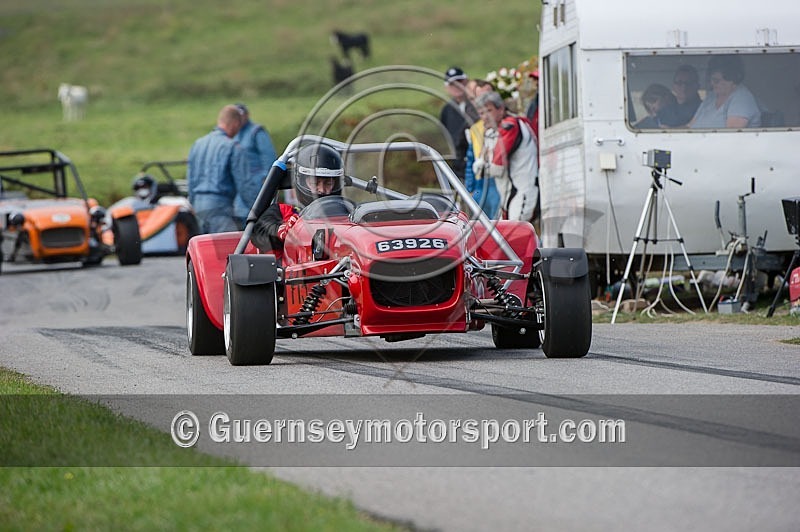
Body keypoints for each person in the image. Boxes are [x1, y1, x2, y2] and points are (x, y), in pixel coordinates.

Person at [251, 143, 344, 255]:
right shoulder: (283, 211)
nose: (322, 189)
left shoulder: (345, 213)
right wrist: (282, 231)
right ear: (302, 181)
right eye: (315, 183)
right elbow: (259, 232)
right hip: (294, 268)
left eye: (328, 183)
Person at [187, 104, 256, 234]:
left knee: (204, 251)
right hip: (220, 208)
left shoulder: (197, 144)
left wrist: (193, 202)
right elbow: (245, 185)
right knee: (227, 249)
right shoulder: (233, 147)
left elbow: (190, 179)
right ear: (235, 124)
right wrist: (258, 209)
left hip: (198, 207)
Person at [473, 91, 538, 222]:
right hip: (508, 195)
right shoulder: (493, 130)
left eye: (489, 111)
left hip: (522, 192)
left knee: (515, 237)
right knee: (507, 237)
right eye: (481, 113)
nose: (485, 117)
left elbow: (496, 168)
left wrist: (480, 166)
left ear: (501, 109)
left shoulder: (510, 125)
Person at [233, 103, 277, 226]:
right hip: (238, 194)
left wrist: (265, 180)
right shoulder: (232, 134)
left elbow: (269, 159)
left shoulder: (257, 132)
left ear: (247, 115)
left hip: (256, 189)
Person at [689, 55, 761, 129]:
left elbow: (730, 134)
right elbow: (689, 127)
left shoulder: (741, 98)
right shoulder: (711, 97)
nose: (712, 83)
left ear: (732, 78)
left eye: (716, 81)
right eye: (711, 79)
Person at [464, 79, 501, 218]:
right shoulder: (475, 128)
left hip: (497, 181)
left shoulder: (505, 125)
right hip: (480, 184)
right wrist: (470, 188)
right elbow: (470, 158)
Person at [440, 66, 479, 181]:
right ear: (446, 87)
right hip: (458, 169)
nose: (457, 86)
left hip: (477, 164)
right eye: (452, 84)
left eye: (459, 82)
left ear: (466, 82)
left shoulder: (477, 105)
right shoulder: (446, 110)